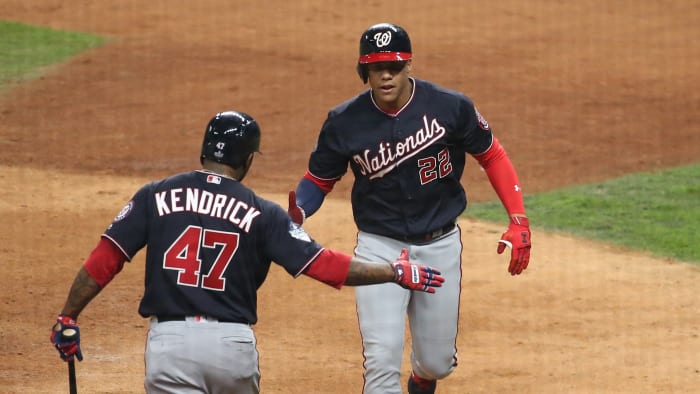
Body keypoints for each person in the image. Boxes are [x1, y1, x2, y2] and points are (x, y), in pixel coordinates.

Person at [49, 110, 445, 394]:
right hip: (231, 349)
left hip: (169, 347)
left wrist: (69, 315)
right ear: (248, 159)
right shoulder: (262, 212)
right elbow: (323, 265)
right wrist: (393, 272)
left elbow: (106, 258)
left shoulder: (156, 194)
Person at [287, 23, 532, 394]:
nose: (386, 74)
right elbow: (319, 180)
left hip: (440, 245)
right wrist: (300, 211)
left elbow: (491, 154)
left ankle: (422, 379)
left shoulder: (450, 107)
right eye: (376, 67)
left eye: (395, 66)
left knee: (435, 362)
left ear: (409, 66)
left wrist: (518, 219)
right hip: (379, 249)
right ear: (364, 71)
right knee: (381, 362)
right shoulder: (343, 122)